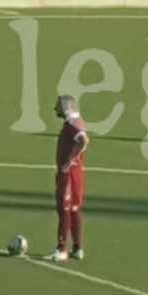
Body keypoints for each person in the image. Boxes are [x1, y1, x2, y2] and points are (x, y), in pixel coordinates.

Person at [53, 94, 88, 261]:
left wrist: (70, 160)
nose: (55, 109)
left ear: (66, 107)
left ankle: (61, 250)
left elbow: (84, 140)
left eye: (58, 106)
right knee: (73, 209)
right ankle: (77, 248)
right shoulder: (73, 123)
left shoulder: (73, 124)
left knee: (64, 209)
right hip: (76, 173)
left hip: (69, 174)